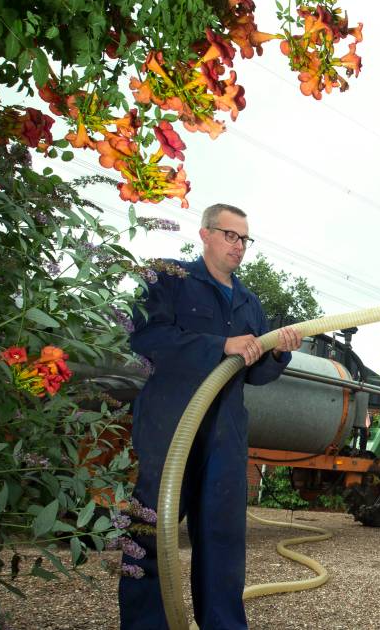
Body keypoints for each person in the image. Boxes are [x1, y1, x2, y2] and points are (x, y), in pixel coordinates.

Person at [118, 203, 302, 629]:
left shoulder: (249, 303)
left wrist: (276, 352)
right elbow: (146, 336)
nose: (238, 246)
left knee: (222, 540)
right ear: (204, 234)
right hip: (171, 426)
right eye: (230, 235)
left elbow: (254, 375)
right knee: (152, 533)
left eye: (244, 239)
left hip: (225, 434)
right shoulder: (170, 279)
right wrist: (221, 345)